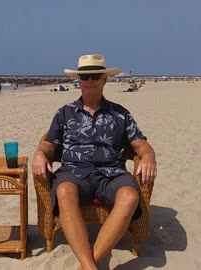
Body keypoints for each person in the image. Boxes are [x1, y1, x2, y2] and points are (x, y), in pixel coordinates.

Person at [32, 54, 157, 270]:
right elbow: (49, 145)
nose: (90, 80)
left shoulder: (121, 114)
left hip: (112, 174)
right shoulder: (64, 113)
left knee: (129, 197)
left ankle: (86, 266)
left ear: (104, 79)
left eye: (95, 75)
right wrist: (39, 154)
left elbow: (141, 145)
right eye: (85, 76)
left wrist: (148, 157)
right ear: (78, 81)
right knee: (64, 191)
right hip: (74, 172)